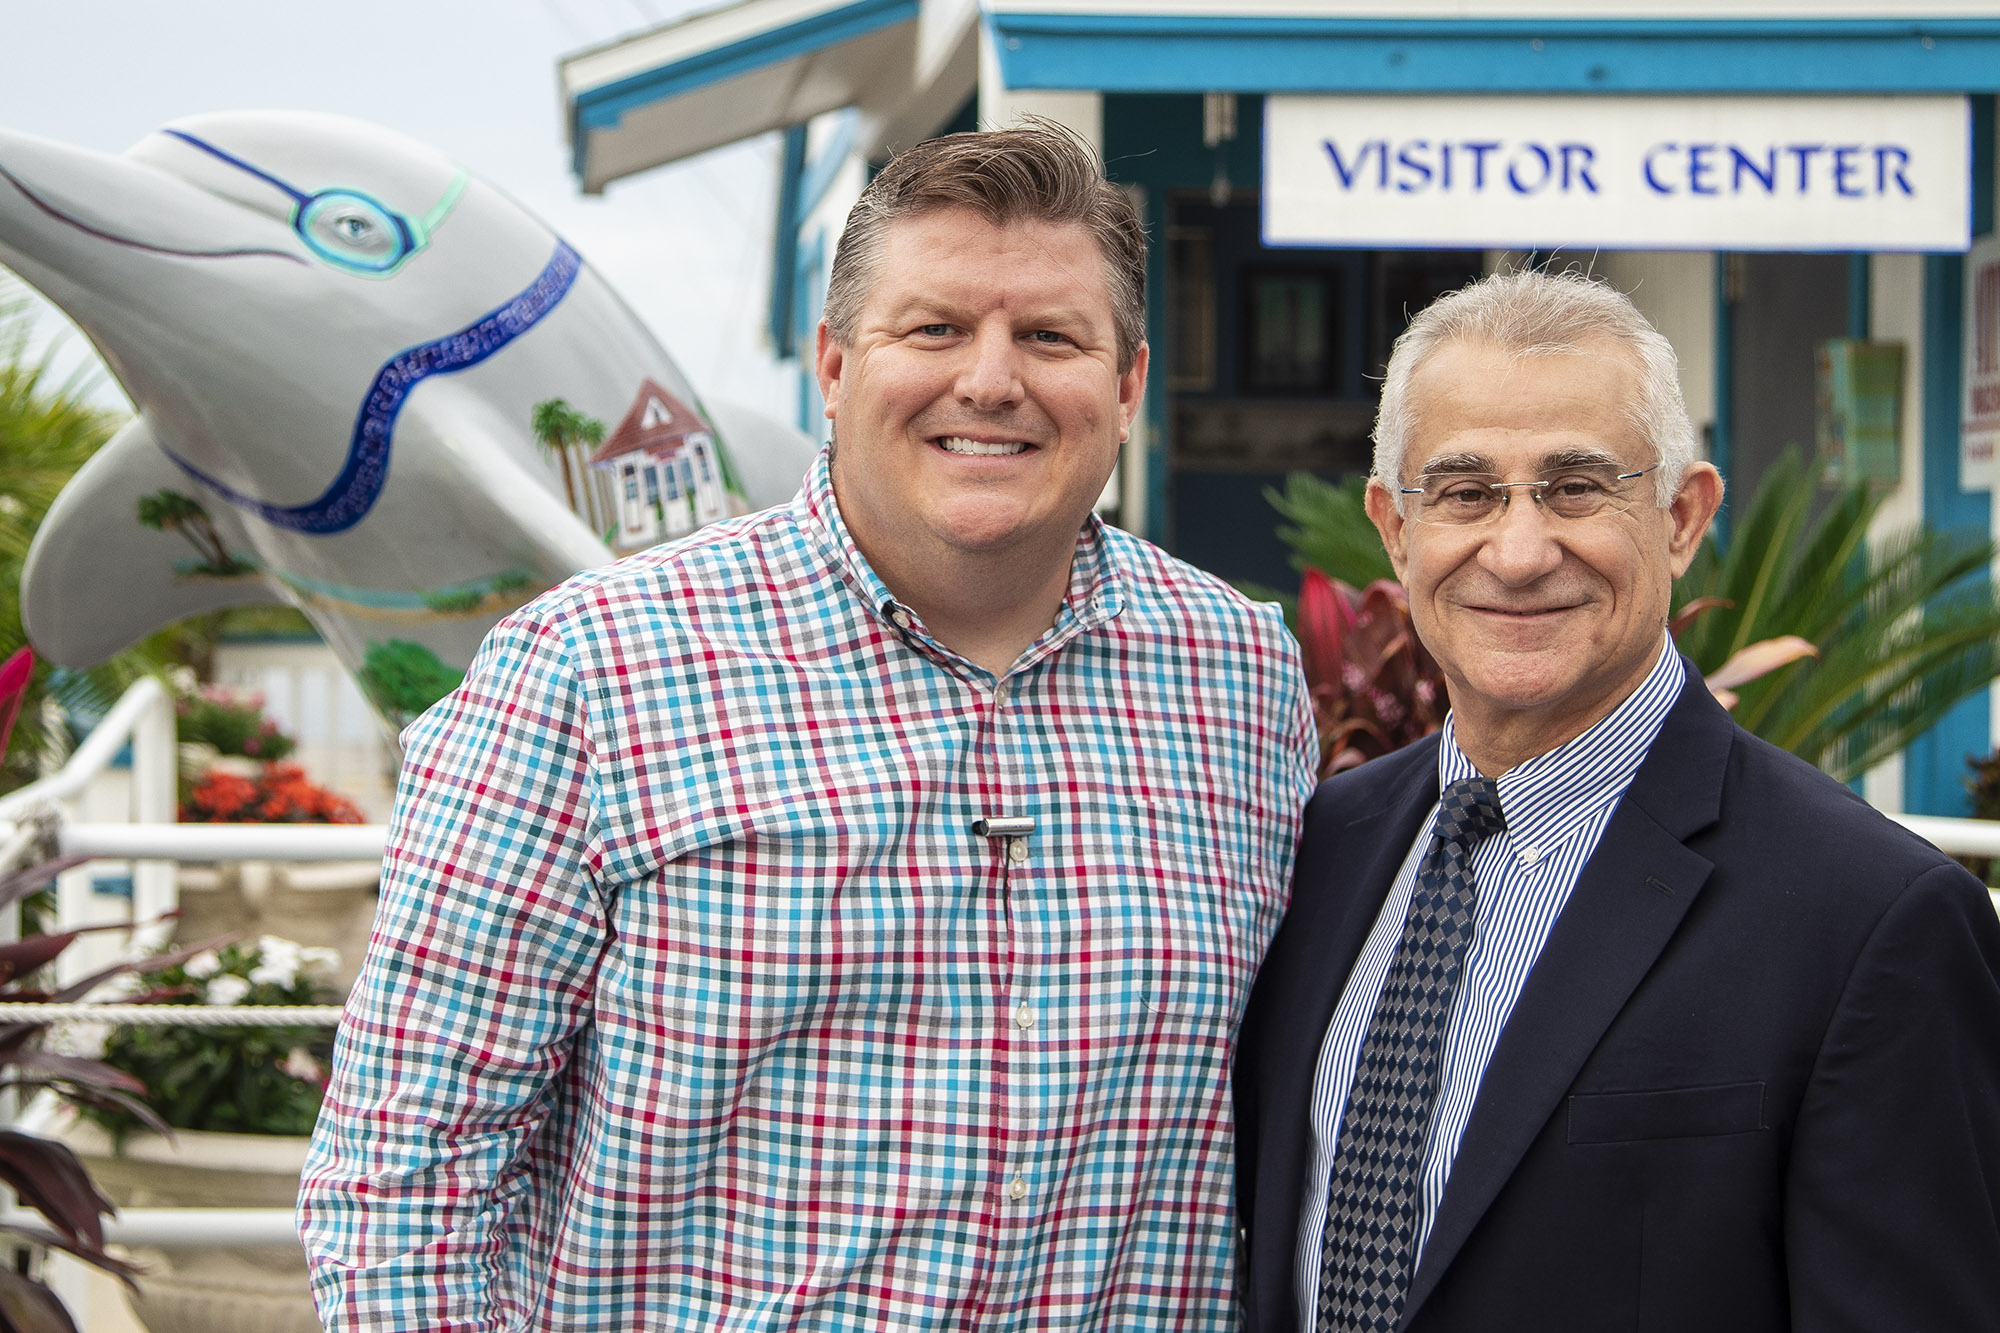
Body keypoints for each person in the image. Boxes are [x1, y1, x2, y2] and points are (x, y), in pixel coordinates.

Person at [297, 122, 1318, 1331]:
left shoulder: (1240, 680)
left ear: (1126, 384)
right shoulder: (586, 675)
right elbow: (401, 1181)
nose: (990, 381)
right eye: (933, 329)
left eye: (1048, 336)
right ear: (834, 365)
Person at [1235, 268, 2000, 1333]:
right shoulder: (1319, 850)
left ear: (1681, 517)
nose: (1515, 548)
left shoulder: (1872, 920)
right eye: (1463, 492)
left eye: (1575, 486)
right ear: (1393, 528)